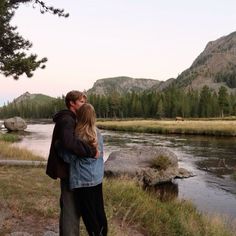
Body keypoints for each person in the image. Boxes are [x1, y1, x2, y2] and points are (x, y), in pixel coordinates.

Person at [46, 90, 97, 236]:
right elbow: (68, 143)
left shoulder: (70, 118)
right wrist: (91, 151)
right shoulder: (67, 120)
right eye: (81, 102)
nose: (84, 104)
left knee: (68, 207)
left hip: (68, 170)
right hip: (67, 171)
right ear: (72, 103)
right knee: (70, 209)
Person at [56, 103, 107, 236]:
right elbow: (100, 155)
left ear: (80, 115)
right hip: (97, 179)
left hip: (83, 182)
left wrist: (58, 146)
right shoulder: (98, 132)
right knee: (99, 211)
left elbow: (69, 158)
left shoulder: (77, 135)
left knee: (89, 216)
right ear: (93, 117)